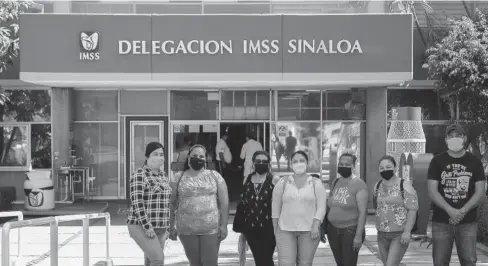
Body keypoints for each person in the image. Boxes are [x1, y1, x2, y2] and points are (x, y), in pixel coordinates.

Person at [427, 124, 487, 266]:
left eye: (458, 135)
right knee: (440, 262)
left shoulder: (475, 162)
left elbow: (480, 191)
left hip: (468, 222)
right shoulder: (437, 161)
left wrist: (461, 212)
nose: (454, 138)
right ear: (446, 139)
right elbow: (432, 190)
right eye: (451, 136)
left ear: (464, 138)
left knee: (469, 261)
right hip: (441, 221)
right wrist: (450, 210)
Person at [168, 144, 230, 266]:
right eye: (195, 155)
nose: (198, 158)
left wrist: (224, 225)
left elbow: (224, 202)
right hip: (186, 229)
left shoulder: (215, 176)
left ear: (205, 159)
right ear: (188, 157)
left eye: (201, 156)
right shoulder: (177, 177)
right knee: (195, 263)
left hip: (211, 229)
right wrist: (170, 226)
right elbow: (171, 203)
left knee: (210, 262)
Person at [272, 150, 327, 266]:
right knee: (286, 263)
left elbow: (322, 207)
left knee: (305, 263)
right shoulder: (283, 182)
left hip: (309, 231)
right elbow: (275, 208)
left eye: (302, 161)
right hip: (285, 230)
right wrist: (275, 229)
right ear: (291, 164)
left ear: (307, 163)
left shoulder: (316, 183)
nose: (299, 164)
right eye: (295, 161)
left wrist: (316, 225)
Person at [127, 142, 171, 266]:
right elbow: (137, 202)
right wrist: (147, 226)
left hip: (160, 227)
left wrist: (167, 226)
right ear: (147, 157)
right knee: (158, 259)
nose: (159, 157)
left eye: (161, 154)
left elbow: (166, 202)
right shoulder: (140, 175)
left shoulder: (163, 175)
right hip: (141, 226)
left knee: (151, 260)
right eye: (155, 154)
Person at [237, 151, 280, 266]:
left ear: (269, 164)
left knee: (266, 258)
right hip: (251, 227)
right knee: (258, 258)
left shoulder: (275, 180)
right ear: (253, 163)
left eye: (264, 161)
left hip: (269, 227)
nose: (261, 163)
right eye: (258, 161)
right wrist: (241, 228)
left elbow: (282, 203)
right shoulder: (248, 179)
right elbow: (243, 203)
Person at [375, 155, 418, 266]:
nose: (385, 170)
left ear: (395, 168)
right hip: (381, 234)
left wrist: (407, 232)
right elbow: (377, 207)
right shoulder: (377, 185)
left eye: (388, 166)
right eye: (381, 168)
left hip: (399, 234)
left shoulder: (404, 186)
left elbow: (412, 210)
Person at [326, 153, 368, 266]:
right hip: (333, 231)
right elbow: (330, 204)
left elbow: (363, 212)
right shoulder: (336, 182)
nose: (343, 166)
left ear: (354, 166)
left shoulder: (359, 184)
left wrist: (358, 235)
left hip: (350, 231)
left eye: (347, 164)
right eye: (341, 164)